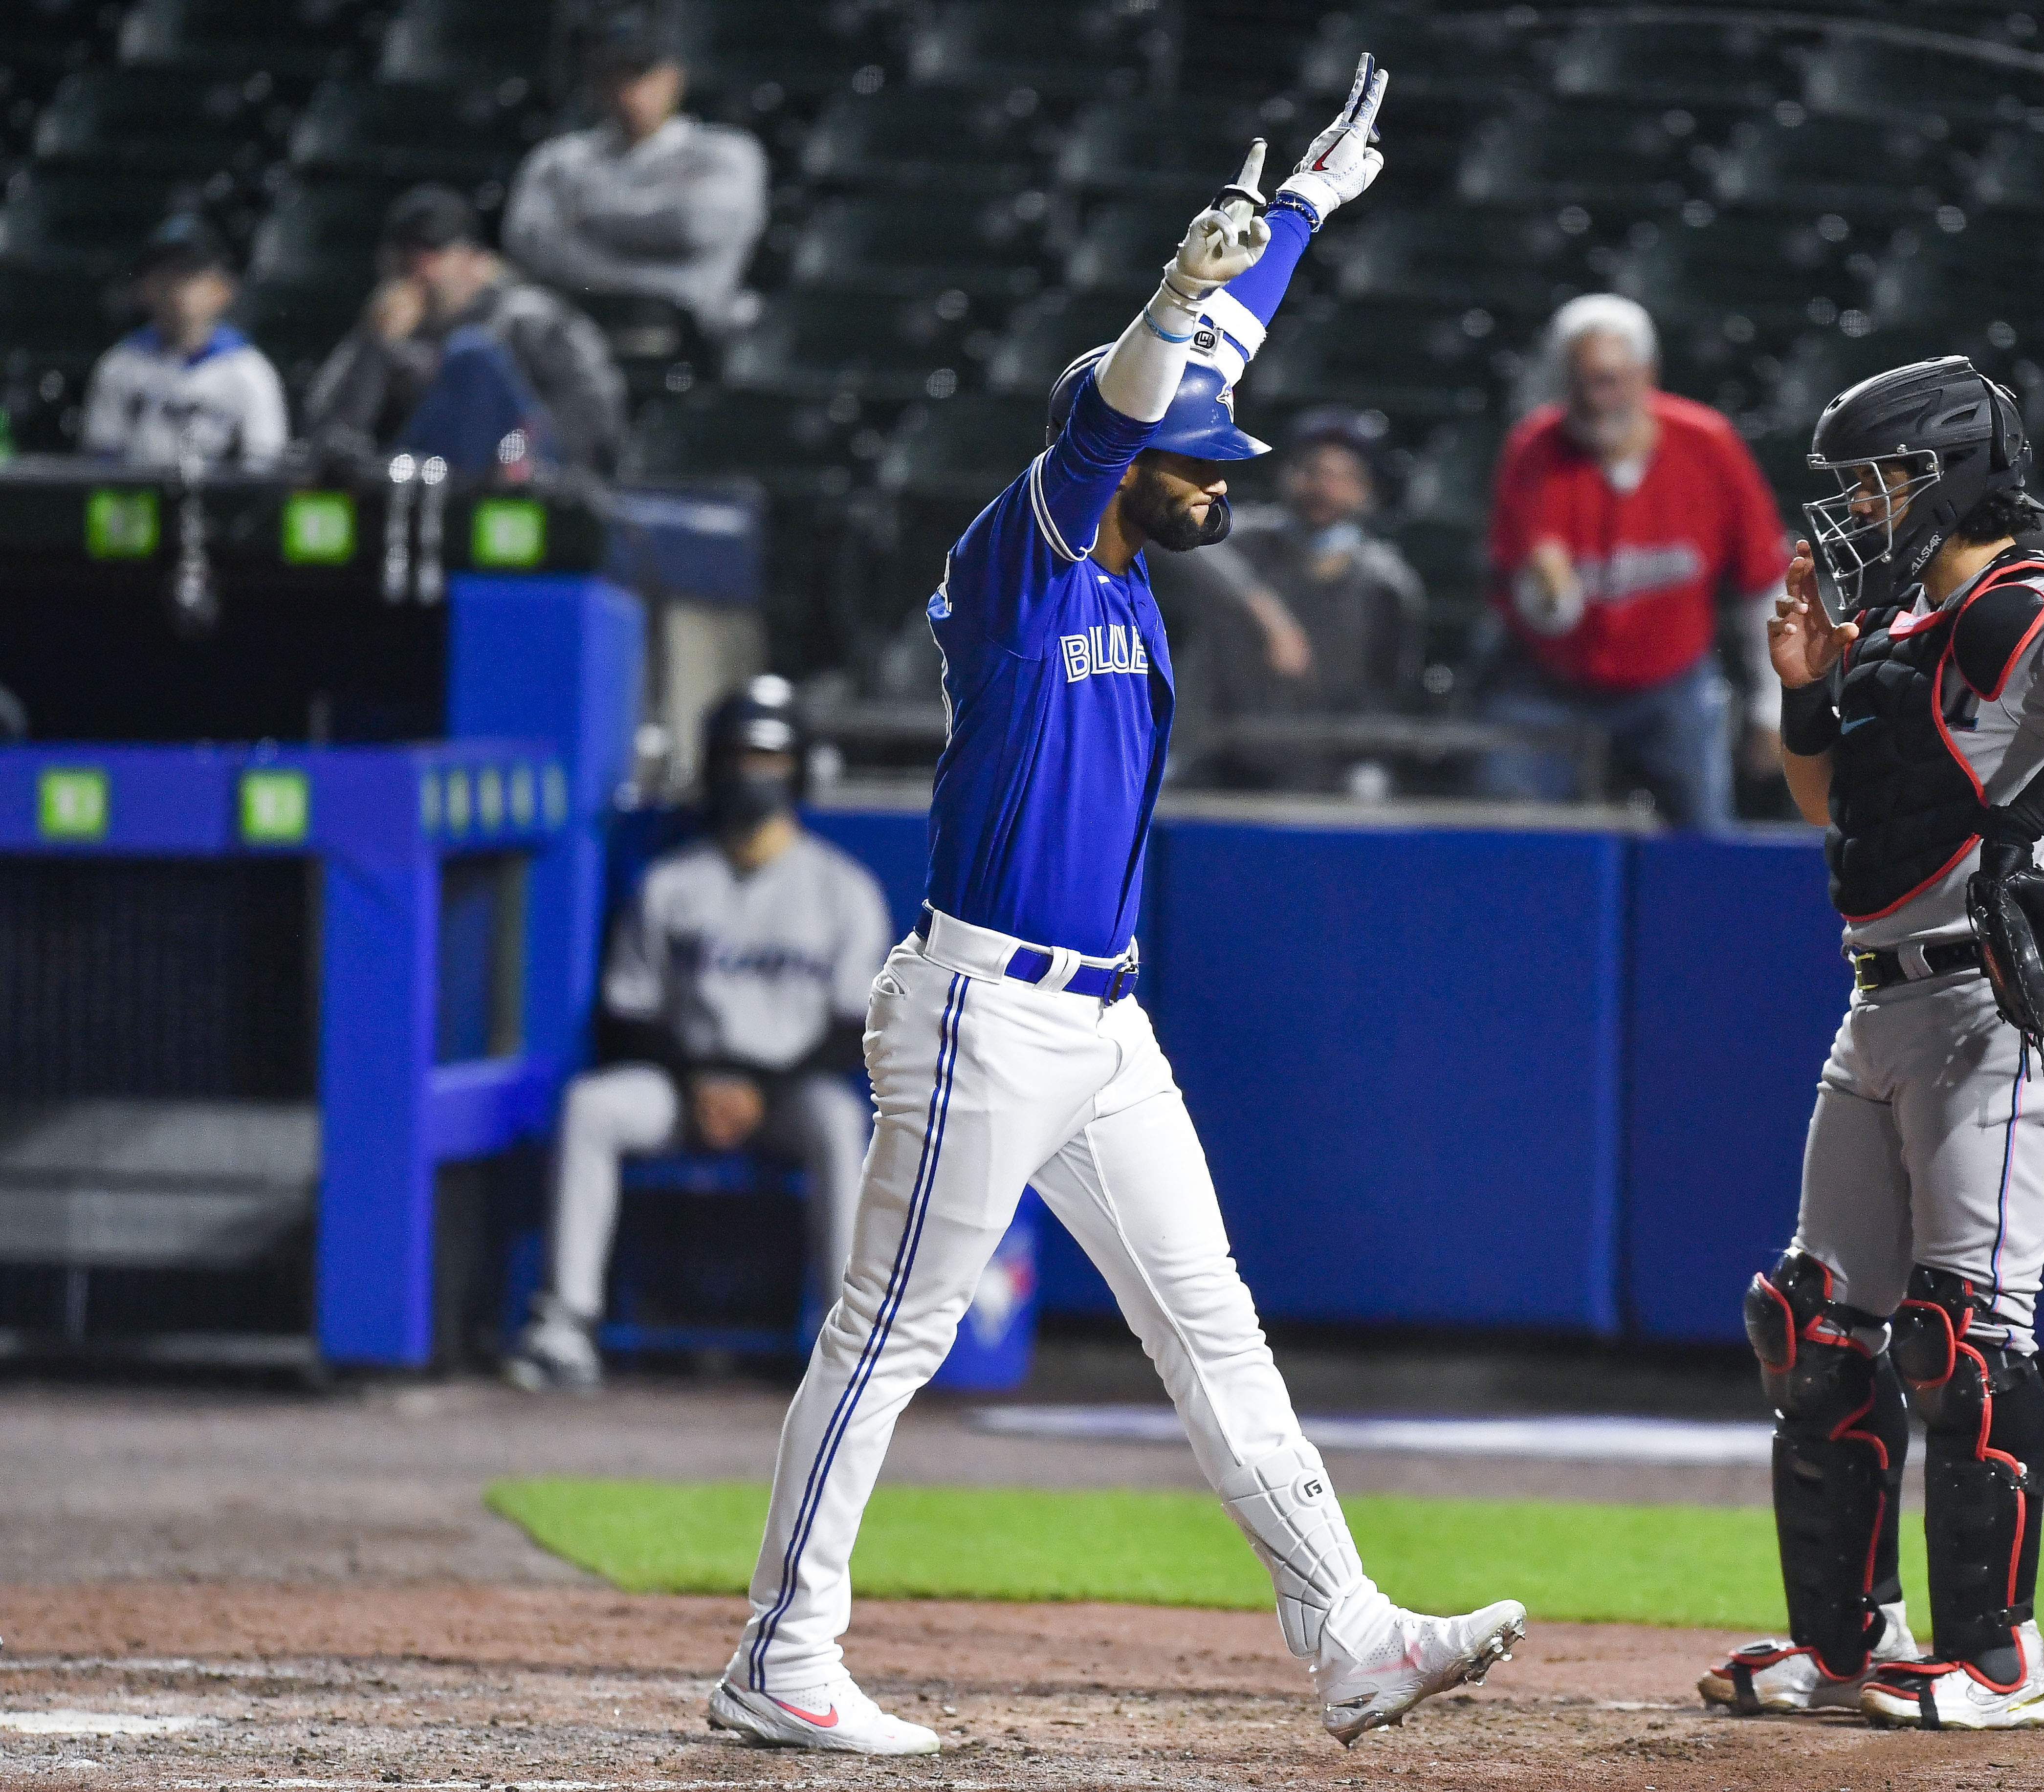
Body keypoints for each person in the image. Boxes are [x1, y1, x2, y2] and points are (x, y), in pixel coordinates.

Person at [703, 61, 1524, 1761]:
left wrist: (1301, 216)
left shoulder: (1132, 549)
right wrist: (1167, 293)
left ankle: (1352, 1635)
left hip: (1098, 1022)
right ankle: (780, 1655)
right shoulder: (1035, 548)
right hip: (983, 1010)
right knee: (890, 1334)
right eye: (1197, 462)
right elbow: (1115, 414)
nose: (1222, 479)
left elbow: (1195, 371)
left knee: (1210, 1324)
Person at [1694, 358, 2044, 1730]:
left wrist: (2027, 823)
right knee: (1814, 1326)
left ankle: (1999, 1657)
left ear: (1950, 470)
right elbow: (1843, 812)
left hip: (1996, 1005)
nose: (1858, 505)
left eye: (1879, 479)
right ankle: (1844, 1646)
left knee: (1958, 1339)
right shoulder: (1900, 621)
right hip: (1884, 997)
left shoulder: (2031, 599)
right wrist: (1804, 694)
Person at [505, 678, 890, 1395]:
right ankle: (565, 1323)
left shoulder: (843, 889)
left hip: (786, 1091)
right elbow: (628, 1014)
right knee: (593, 1106)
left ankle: (851, 1341)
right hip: (684, 1087)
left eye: (770, 758)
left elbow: (853, 1030)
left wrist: (758, 1089)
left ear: (799, 768)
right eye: (740, 756)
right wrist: (699, 1083)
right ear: (714, 765)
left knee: (841, 1122)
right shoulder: (671, 882)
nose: (754, 775)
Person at [1474, 293, 1790, 828]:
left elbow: (1765, 581)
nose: (1598, 401)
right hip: (1552, 684)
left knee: (1706, 842)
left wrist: (1773, 707)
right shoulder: (1534, 449)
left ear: (1648, 375)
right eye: (1582, 382)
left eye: (1611, 380)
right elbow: (1524, 601)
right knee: (1511, 844)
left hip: (1671, 684)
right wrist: (1550, 597)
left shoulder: (1708, 444)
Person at [1167, 404, 1426, 790]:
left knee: (1369, 789)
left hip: (1329, 764)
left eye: (1340, 476)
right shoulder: (1244, 542)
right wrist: (1263, 610)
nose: (1322, 487)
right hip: (1223, 752)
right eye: (1311, 472)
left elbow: (1388, 696)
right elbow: (1172, 530)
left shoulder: (1385, 583)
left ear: (1366, 490)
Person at [304, 185, 627, 477]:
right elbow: (331, 435)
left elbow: (596, 413)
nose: (419, 269)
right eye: (406, 254)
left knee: (471, 354)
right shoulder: (382, 329)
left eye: (433, 253)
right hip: (419, 480)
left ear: (477, 261)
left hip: (522, 485)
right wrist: (374, 344)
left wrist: (526, 455)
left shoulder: (528, 318)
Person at [502, 5, 769, 338]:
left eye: (641, 75)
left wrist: (588, 219)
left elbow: (694, 227)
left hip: (688, 339)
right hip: (583, 333)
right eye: (614, 77)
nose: (629, 92)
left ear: (673, 78)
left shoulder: (727, 152)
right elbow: (530, 243)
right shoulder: (560, 159)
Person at [79, 216, 286, 471]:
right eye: (163, 273)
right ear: (144, 287)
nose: (174, 285)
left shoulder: (248, 371)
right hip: (138, 503)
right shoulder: (120, 365)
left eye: (188, 274)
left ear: (221, 290)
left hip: (219, 506)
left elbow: (264, 468)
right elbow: (100, 461)